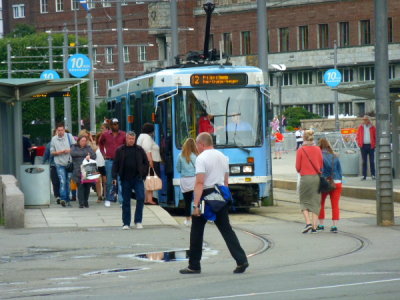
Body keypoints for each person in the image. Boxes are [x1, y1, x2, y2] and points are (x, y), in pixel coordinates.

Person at [179, 132, 249, 275]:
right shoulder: (223, 157)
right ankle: (241, 260)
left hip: (206, 196)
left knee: (197, 231)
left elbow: (199, 182)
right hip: (220, 196)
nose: (197, 148)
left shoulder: (201, 158)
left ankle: (194, 265)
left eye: (198, 145)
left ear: (201, 144)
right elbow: (225, 181)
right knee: (227, 230)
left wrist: (196, 205)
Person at [112, 131, 149, 230]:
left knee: (141, 198)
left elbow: (146, 162)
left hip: (137, 178)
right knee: (126, 201)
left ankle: (138, 221)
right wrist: (114, 176)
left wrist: (143, 173)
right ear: (126, 138)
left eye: (133, 139)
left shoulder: (139, 150)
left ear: (135, 139)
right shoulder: (120, 150)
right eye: (129, 138)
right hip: (125, 179)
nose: (131, 140)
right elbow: (115, 164)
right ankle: (126, 223)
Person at [295, 130, 323, 233]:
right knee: (315, 201)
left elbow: (298, 167)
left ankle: (308, 223)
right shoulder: (318, 149)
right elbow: (321, 165)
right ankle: (315, 227)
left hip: (305, 178)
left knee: (304, 201)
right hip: (316, 177)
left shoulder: (301, 150)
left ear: (304, 138)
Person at [98, 118, 126, 207]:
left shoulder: (123, 134)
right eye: (114, 124)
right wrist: (103, 153)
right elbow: (100, 143)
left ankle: (121, 200)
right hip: (109, 160)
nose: (116, 125)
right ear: (110, 125)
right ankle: (108, 199)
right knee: (109, 181)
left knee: (120, 180)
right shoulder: (105, 135)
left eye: (117, 124)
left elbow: (126, 145)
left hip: (120, 161)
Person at [317, 138, 343, 233]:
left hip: (324, 182)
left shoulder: (319, 156)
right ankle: (334, 226)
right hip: (336, 182)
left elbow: (319, 170)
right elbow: (340, 171)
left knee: (321, 204)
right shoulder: (335, 156)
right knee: (335, 205)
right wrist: (339, 181)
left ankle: (321, 224)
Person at [50, 123, 76, 207]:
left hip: (69, 163)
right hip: (59, 163)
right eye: (59, 130)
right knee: (62, 181)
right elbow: (52, 152)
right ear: (56, 131)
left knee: (68, 182)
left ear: (64, 130)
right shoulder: (54, 139)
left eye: (62, 130)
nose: (60, 132)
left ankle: (68, 199)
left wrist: (69, 150)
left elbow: (75, 147)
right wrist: (59, 152)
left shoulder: (69, 136)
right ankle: (63, 198)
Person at [137, 123, 162, 205]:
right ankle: (149, 199)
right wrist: (150, 161)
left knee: (148, 180)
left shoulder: (141, 136)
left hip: (146, 161)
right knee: (150, 180)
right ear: (151, 131)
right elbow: (147, 150)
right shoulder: (147, 138)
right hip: (151, 161)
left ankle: (147, 199)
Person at [176, 138, 199, 226]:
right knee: (195, 200)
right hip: (194, 180)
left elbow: (178, 168)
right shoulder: (196, 156)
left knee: (187, 201)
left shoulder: (180, 155)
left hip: (185, 180)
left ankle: (187, 220)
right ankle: (195, 217)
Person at [70, 135, 96, 208]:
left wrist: (89, 156)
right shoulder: (74, 147)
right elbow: (73, 153)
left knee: (87, 187)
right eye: (82, 141)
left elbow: (94, 156)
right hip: (78, 170)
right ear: (78, 141)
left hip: (88, 169)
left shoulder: (88, 147)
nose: (83, 142)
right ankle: (81, 203)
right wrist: (85, 155)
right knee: (80, 186)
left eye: (85, 141)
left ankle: (86, 201)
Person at [43, 129, 61, 204]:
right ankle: (57, 196)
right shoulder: (49, 144)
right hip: (53, 165)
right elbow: (46, 155)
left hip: (63, 165)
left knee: (63, 181)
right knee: (55, 181)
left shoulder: (65, 143)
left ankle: (63, 195)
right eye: (57, 133)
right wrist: (43, 165)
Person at [356, 115, 376, 180]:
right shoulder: (360, 127)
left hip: (371, 146)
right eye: (364, 120)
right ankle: (364, 175)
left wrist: (375, 144)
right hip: (363, 146)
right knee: (364, 161)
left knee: (372, 161)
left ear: (369, 120)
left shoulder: (372, 127)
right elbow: (358, 136)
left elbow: (375, 136)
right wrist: (359, 143)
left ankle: (373, 174)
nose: (365, 121)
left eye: (366, 120)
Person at [95, 132, 106, 203]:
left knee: (105, 181)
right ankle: (99, 196)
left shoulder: (107, 146)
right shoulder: (95, 146)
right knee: (97, 181)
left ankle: (105, 195)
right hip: (96, 166)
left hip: (104, 165)